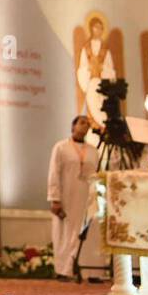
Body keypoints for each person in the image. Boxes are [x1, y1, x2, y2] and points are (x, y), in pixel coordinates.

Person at [47, 115, 102, 280]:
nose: (85, 126)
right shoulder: (61, 147)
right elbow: (54, 173)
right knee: (65, 234)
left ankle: (93, 272)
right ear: (73, 126)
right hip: (67, 197)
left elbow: (98, 175)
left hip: (88, 197)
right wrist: (55, 199)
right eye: (82, 122)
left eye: (87, 123)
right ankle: (65, 270)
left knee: (90, 234)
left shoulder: (93, 150)